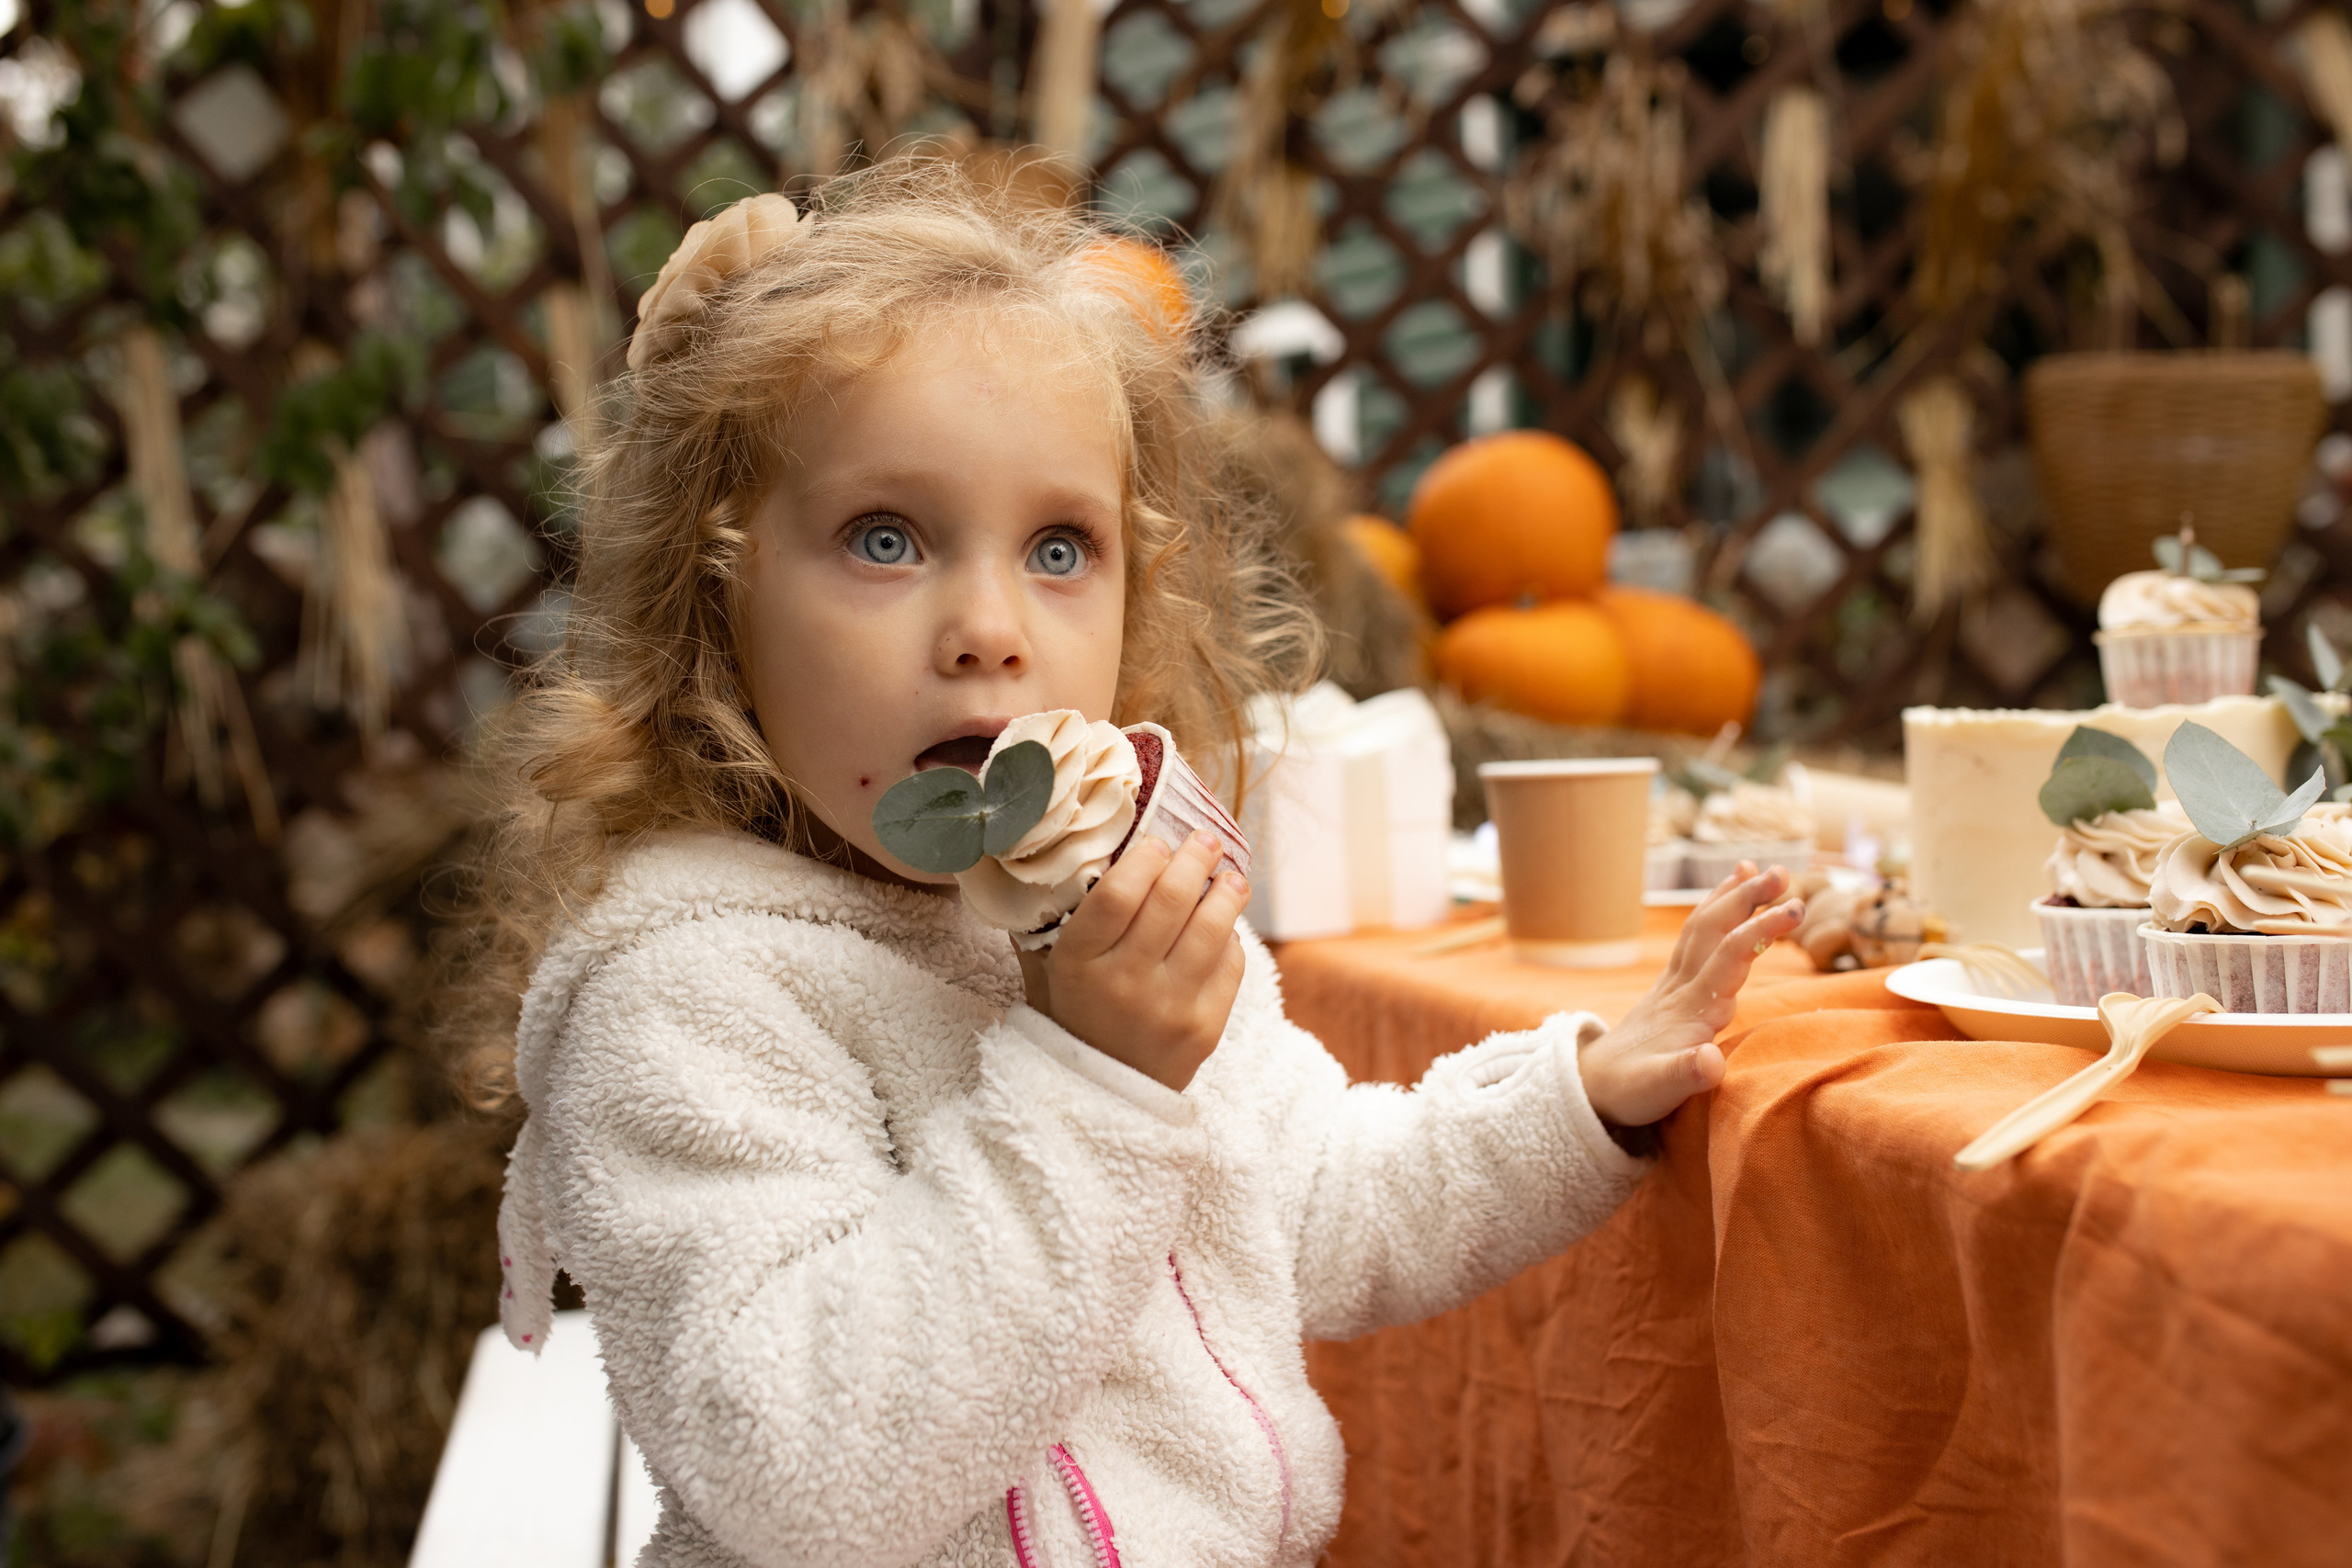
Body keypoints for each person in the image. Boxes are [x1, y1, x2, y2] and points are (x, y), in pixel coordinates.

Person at [469, 159, 1803, 1568]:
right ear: (714, 592)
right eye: (885, 537)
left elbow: (1321, 1203)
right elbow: (804, 1475)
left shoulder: (1096, 906)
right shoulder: (690, 999)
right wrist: (1092, 1079)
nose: (988, 626)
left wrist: (1577, 1099)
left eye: (1059, 547)